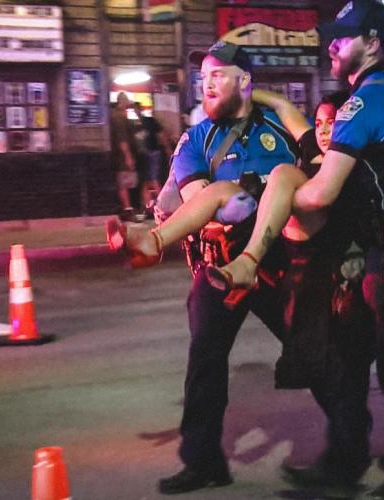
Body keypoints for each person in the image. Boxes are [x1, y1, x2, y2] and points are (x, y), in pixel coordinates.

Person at [204, 2, 384, 497]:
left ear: (373, 42)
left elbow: (319, 194)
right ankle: (344, 461)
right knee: (349, 365)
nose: (331, 45)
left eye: (343, 37)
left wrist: (277, 188)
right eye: (330, 36)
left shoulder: (365, 102)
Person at [114, 41, 303, 495]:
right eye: (204, 76)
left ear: (245, 82)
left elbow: (314, 167)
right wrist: (256, 194)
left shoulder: (280, 129)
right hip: (218, 269)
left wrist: (250, 193)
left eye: (219, 74)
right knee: (205, 363)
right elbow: (212, 204)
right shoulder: (196, 138)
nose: (207, 82)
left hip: (275, 264)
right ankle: (202, 461)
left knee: (312, 349)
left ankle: (347, 445)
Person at [132, 102, 171, 213]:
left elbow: (161, 134)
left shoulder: (149, 121)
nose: (136, 112)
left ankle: (162, 206)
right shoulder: (134, 125)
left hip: (153, 153)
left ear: (140, 110)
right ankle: (148, 207)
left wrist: (167, 148)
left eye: (137, 110)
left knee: (154, 180)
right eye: (134, 110)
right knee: (145, 182)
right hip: (142, 156)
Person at [110, 93, 142, 221]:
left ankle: (128, 208)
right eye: (128, 101)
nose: (129, 103)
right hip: (123, 155)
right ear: (123, 102)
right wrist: (128, 156)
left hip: (122, 154)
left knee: (127, 181)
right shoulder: (119, 118)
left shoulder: (120, 116)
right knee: (125, 181)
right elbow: (122, 139)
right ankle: (128, 209)